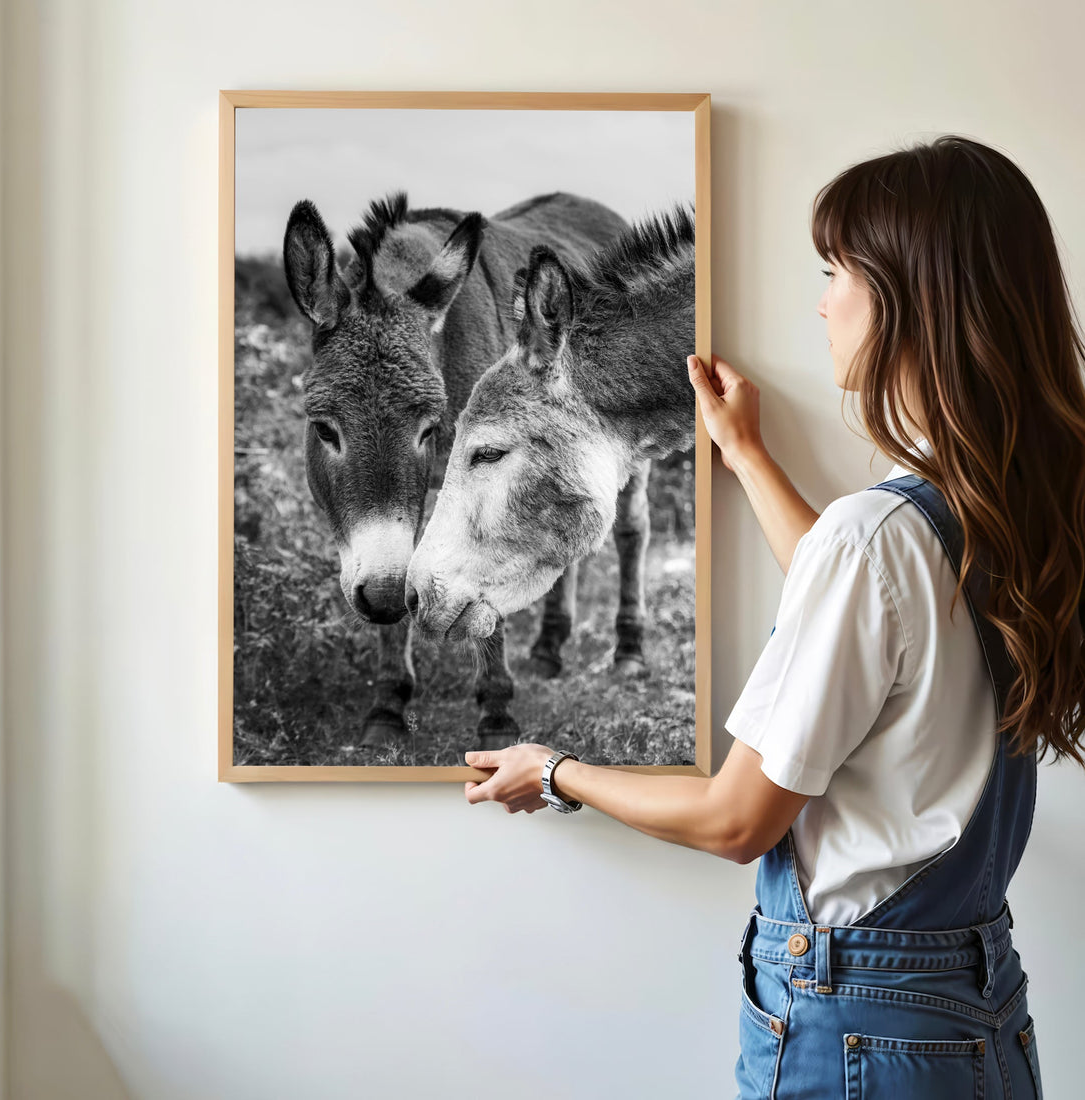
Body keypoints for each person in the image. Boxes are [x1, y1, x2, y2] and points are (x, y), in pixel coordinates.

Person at [461, 134, 1084, 1098]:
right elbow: (875, 620)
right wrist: (748, 457)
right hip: (974, 1011)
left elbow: (734, 819)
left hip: (857, 1029)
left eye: (837, 272)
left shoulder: (878, 536)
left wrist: (554, 771)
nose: (822, 299)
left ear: (909, 300)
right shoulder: (1000, 506)